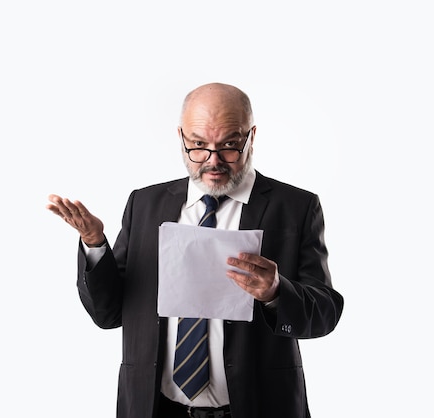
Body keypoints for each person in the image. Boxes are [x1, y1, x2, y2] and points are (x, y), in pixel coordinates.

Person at [47, 82, 344, 418]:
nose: (213, 161)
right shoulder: (144, 204)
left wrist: (276, 293)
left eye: (230, 145)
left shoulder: (295, 207)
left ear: (252, 136)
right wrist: (95, 244)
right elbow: (108, 313)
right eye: (199, 146)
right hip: (155, 409)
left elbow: (325, 315)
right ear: (181, 137)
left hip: (259, 407)